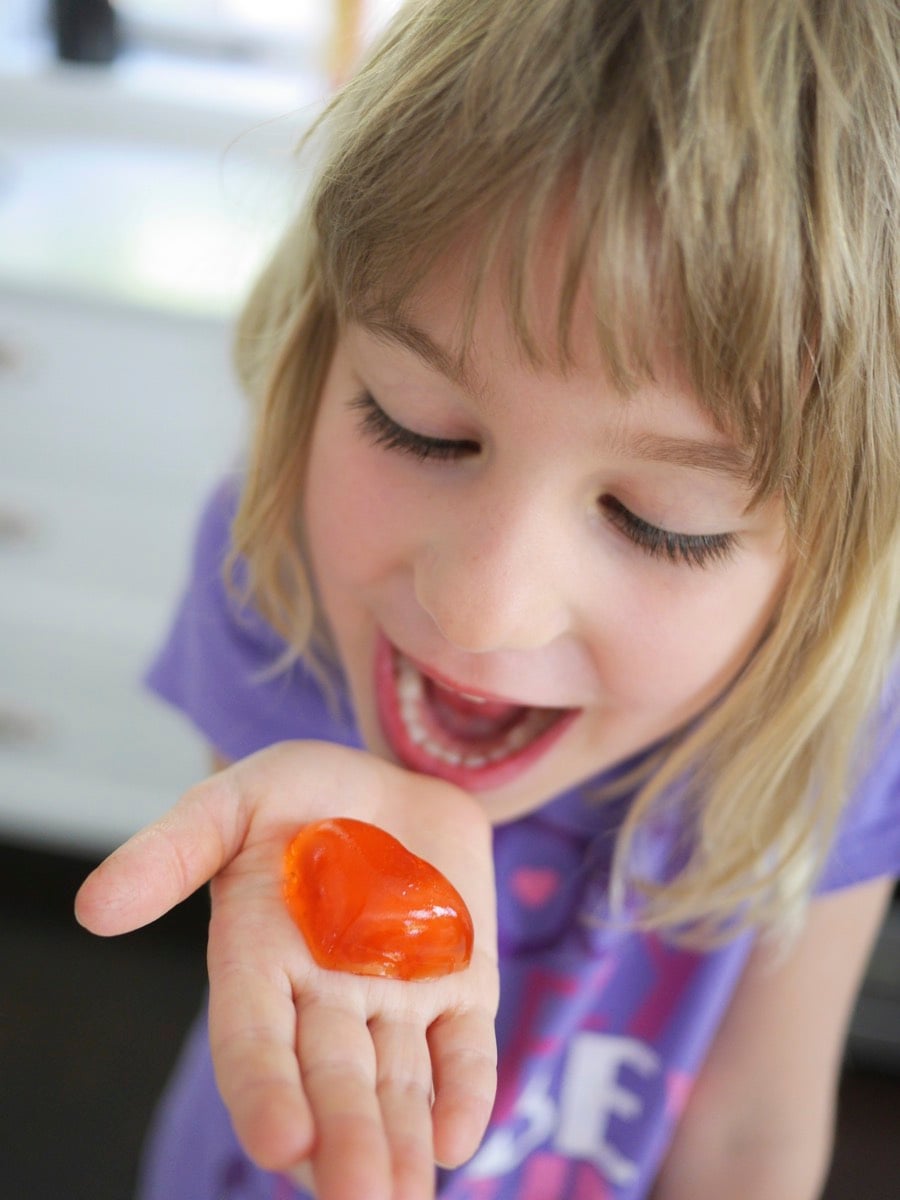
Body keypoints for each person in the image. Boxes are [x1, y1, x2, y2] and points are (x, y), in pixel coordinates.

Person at [75, 1, 900, 1197]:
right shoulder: (276, 571)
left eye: (661, 523)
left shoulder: (850, 735)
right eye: (417, 426)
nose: (478, 611)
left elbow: (752, 1131)